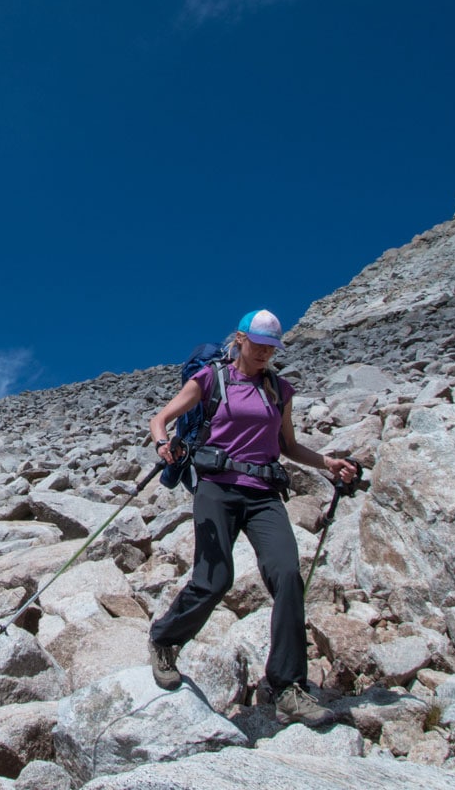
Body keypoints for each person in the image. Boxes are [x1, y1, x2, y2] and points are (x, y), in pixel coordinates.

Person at [145, 309, 357, 727]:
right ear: (240, 339)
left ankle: (285, 686)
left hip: (263, 494)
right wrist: (161, 442)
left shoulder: (280, 390)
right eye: (258, 344)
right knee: (214, 579)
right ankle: (165, 641)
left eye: (271, 348)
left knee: (287, 575)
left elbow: (288, 446)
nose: (264, 353)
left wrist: (327, 462)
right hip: (217, 488)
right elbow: (161, 418)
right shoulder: (210, 379)